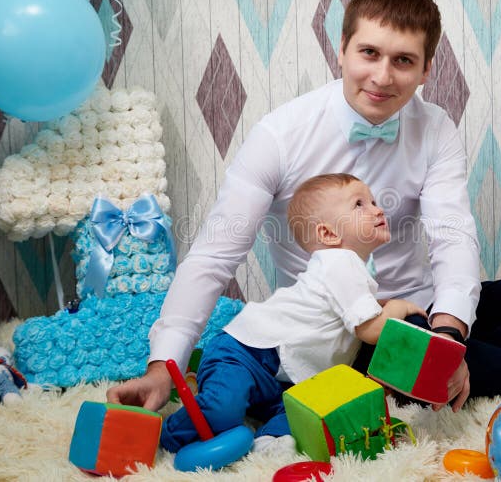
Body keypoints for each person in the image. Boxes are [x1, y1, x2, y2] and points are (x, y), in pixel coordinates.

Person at [108, 0, 501, 422]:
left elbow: (453, 235)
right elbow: (214, 255)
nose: (381, 76)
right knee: (418, 374)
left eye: (403, 60)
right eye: (369, 53)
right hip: (341, 330)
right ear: (343, 50)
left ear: (427, 69)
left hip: (419, 305)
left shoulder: (436, 127)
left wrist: (450, 334)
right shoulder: (281, 134)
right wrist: (165, 366)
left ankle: (475, 356)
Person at [160, 173, 426, 452]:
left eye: (373, 201)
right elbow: (371, 331)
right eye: (359, 204)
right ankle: (166, 437)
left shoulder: (346, 267)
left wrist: (381, 304)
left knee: (308, 414)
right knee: (222, 408)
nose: (377, 209)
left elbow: (351, 308)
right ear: (328, 234)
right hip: (246, 354)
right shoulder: (340, 262)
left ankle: (270, 440)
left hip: (286, 378)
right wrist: (399, 306)